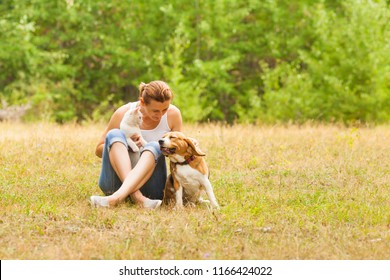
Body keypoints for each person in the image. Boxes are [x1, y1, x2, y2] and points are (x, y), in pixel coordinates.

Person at [90, 80, 183, 209]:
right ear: (142, 102)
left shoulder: (173, 115)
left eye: (165, 109)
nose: (161, 115)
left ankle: (116, 199)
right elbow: (99, 150)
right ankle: (137, 198)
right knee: (114, 134)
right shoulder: (123, 113)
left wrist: (164, 149)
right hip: (114, 184)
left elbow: (179, 153)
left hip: (151, 188)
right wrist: (124, 144)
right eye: (156, 111)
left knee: (155, 146)